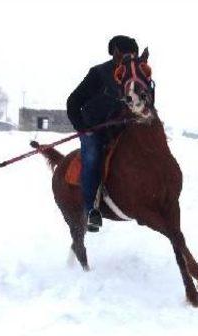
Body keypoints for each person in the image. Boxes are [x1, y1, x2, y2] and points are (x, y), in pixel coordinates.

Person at [66, 35, 138, 231]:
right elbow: (72, 103)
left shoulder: (132, 76)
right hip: (93, 129)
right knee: (92, 157)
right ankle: (92, 211)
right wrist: (83, 128)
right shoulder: (98, 74)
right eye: (127, 55)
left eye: (134, 56)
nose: (131, 60)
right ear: (115, 53)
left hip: (119, 129)